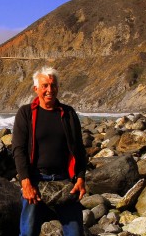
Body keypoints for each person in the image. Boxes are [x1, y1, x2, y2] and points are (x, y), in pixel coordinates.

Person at [12, 66, 87, 236]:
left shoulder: (68, 113)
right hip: (35, 180)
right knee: (28, 232)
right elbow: (18, 149)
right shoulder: (25, 113)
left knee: (75, 232)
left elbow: (79, 149)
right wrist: (25, 182)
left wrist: (81, 177)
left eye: (53, 86)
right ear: (36, 89)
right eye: (45, 85)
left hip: (65, 180)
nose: (49, 90)